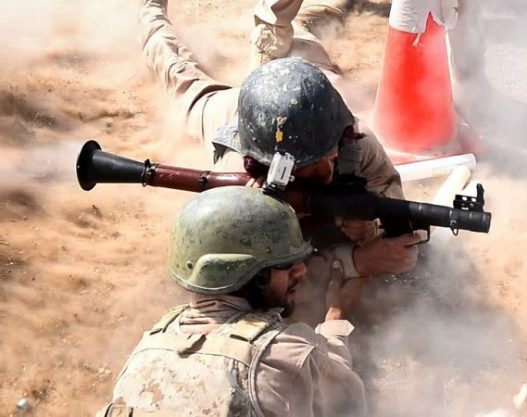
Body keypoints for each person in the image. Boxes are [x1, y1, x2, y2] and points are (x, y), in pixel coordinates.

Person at [139, 0, 422, 324]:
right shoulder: (234, 174)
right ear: (268, 166)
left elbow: (392, 214)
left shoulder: (352, 141)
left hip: (298, 84)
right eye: (307, 164)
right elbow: (252, 280)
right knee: (179, 75)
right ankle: (150, 10)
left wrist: (368, 229)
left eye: (329, 150)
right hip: (241, 109)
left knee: (298, 41)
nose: (330, 161)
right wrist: (354, 260)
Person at [97, 186, 367, 417]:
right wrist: (335, 319)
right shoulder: (285, 354)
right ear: (249, 275)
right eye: (285, 264)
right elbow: (349, 401)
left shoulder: (146, 349)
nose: (301, 271)